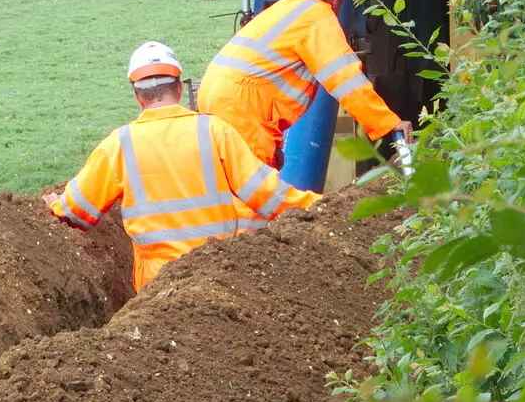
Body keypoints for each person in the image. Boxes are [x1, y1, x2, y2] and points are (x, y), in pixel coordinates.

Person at [45, 41, 321, 290]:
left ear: (137, 97)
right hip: (217, 274)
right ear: (179, 88)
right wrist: (320, 206)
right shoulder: (214, 131)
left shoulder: (118, 146)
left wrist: (55, 204)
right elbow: (266, 194)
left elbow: (76, 212)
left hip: (157, 285)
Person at [196, 0, 414, 167]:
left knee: (228, 181)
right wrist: (387, 123)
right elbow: (347, 81)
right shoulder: (318, 17)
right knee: (252, 189)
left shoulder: (287, 7)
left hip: (214, 95)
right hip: (240, 105)